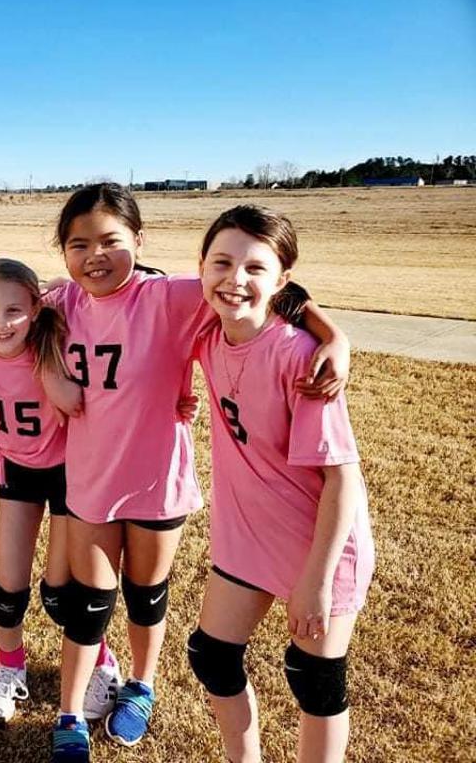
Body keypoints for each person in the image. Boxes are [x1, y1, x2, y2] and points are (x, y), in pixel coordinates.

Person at [43, 183, 351, 762]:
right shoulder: (62, 302)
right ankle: (71, 711)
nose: (95, 256)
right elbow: (14, 312)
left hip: (157, 482)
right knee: (84, 604)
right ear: (63, 250)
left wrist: (334, 335)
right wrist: (48, 375)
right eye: (79, 244)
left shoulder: (169, 296)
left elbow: (260, 287)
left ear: (139, 240)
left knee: (145, 597)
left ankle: (141, 685)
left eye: (111, 241)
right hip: (89, 481)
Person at [188, 204, 373, 763]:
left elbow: (343, 480)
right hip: (249, 537)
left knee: (314, 680)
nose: (235, 279)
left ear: (282, 280)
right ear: (201, 265)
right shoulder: (207, 333)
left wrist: (316, 580)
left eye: (256, 269)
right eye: (222, 262)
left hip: (320, 545)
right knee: (212, 656)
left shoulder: (302, 359)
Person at [0, 258, 121, 722]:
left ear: (35, 308)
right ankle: (10, 667)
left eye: (14, 310)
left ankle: (102, 660)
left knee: (60, 594)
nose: (1, 323)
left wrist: (48, 350)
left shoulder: (56, 343)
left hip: (68, 476)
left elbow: (79, 293)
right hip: (17, 471)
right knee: (8, 588)